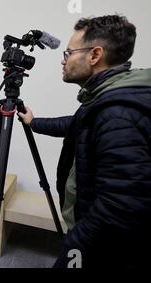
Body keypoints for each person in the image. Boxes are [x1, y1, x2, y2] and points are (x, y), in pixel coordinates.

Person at [18, 15, 151, 268]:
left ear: (94, 55)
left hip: (101, 246)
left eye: (68, 52)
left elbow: (118, 209)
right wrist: (34, 122)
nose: (63, 59)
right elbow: (77, 124)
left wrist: (71, 252)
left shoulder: (118, 115)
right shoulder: (107, 99)